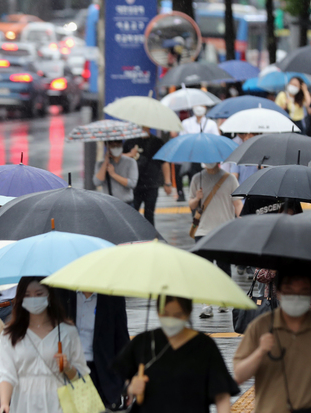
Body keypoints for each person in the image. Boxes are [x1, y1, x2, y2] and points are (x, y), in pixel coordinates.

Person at [233, 271, 311, 413]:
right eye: (289, 291)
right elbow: (240, 375)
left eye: (303, 291)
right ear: (278, 293)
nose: (296, 297)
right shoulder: (260, 327)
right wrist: (260, 351)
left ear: (310, 293)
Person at [113, 295, 239, 413]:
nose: (171, 320)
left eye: (178, 315)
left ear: (188, 313)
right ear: (158, 311)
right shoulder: (144, 342)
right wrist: (129, 388)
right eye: (165, 314)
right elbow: (116, 375)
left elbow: (222, 395)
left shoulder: (205, 346)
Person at [0, 277, 89, 413]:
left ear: (49, 296)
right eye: (27, 295)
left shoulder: (67, 331)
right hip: (24, 402)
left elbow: (82, 374)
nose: (33, 299)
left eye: (39, 294)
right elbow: (6, 372)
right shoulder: (10, 333)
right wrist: (4, 403)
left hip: (58, 403)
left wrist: (68, 367)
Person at [58, 290, 130, 410]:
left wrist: (127, 380)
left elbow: (122, 341)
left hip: (102, 375)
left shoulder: (113, 298)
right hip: (69, 370)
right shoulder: (63, 295)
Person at [189, 163, 242, 318]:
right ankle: (206, 304)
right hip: (202, 231)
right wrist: (197, 198)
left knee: (224, 268)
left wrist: (242, 220)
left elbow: (237, 203)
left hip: (224, 231)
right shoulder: (196, 178)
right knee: (204, 270)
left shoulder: (230, 179)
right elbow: (191, 204)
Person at [123, 128, 172, 225]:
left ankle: (150, 238)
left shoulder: (157, 142)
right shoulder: (130, 142)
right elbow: (120, 158)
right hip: (134, 185)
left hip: (152, 184)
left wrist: (168, 182)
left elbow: (164, 163)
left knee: (149, 215)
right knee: (131, 215)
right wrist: (130, 154)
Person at [175, 105, 220, 202]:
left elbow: (216, 140)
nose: (199, 108)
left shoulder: (211, 124)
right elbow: (182, 139)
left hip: (206, 158)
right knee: (194, 181)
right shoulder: (186, 123)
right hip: (192, 157)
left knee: (207, 181)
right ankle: (195, 203)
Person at [94, 141, 139, 205]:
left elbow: (132, 183)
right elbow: (97, 182)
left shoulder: (130, 162)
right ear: (107, 147)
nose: (116, 148)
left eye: (118, 145)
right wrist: (105, 162)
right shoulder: (100, 164)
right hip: (108, 204)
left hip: (126, 204)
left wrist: (113, 174)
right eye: (113, 146)